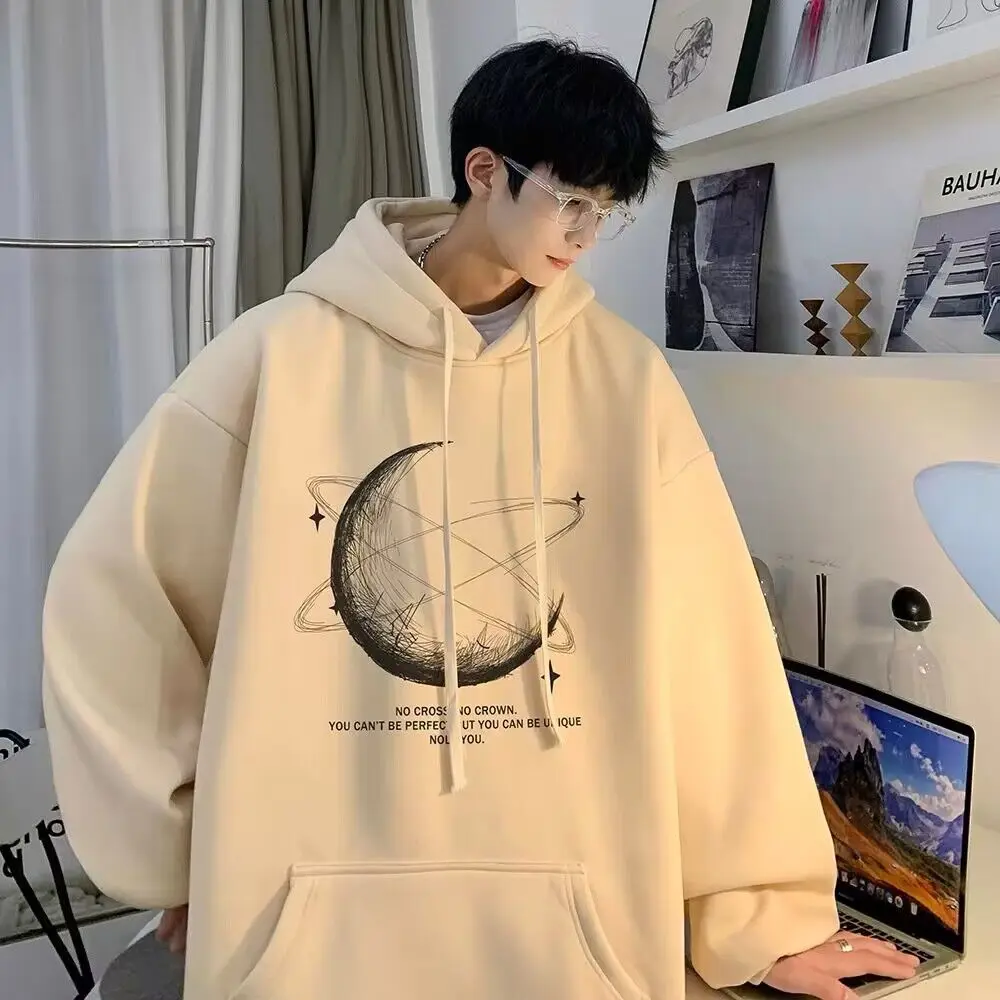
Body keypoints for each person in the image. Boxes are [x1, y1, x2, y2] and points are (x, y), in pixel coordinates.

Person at [42, 38, 918, 1000]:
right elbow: (114, 597)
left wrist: (763, 920)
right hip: (307, 943)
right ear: (485, 170)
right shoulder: (277, 358)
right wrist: (179, 845)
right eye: (569, 199)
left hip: (574, 943)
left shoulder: (626, 384)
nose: (585, 234)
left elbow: (714, 656)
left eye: (606, 211)